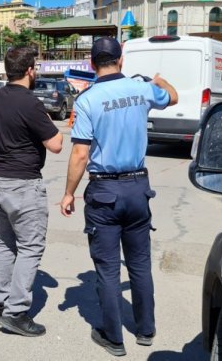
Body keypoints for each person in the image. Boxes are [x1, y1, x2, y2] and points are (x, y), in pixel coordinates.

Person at [59, 37, 178, 356]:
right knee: (140, 264)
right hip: (139, 188)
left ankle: (113, 337)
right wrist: (159, 80)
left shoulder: (87, 100)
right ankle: (146, 330)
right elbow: (173, 96)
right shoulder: (142, 89)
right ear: (120, 59)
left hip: (105, 192)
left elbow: (81, 154)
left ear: (91, 63)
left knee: (108, 269)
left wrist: (68, 193)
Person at [0, 46, 63, 337]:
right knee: (30, 247)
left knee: (5, 241)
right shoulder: (31, 103)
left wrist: (1, 165)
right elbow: (55, 144)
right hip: (22, 184)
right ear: (29, 70)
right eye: (36, 67)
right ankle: (16, 313)